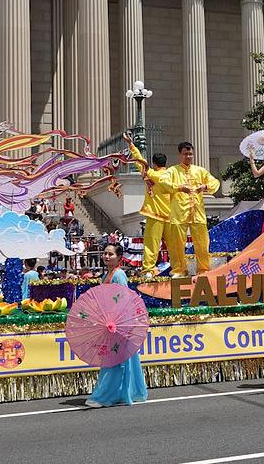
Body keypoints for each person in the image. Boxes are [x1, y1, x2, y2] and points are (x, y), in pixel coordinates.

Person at [84, 243, 148, 408]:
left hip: (118, 324)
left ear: (119, 257)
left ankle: (105, 396)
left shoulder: (118, 275)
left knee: (114, 361)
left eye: (110, 254)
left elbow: (125, 301)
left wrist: (120, 323)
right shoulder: (107, 275)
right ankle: (123, 392)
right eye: (105, 254)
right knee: (118, 360)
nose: (106, 256)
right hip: (110, 323)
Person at [160, 142, 220, 275]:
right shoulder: (172, 171)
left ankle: (203, 269)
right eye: (185, 154)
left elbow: (215, 182)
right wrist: (179, 188)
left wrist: (205, 187)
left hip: (197, 213)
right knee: (177, 244)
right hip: (179, 213)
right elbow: (163, 183)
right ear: (180, 155)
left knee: (202, 243)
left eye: (190, 154)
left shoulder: (200, 171)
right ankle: (179, 269)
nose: (188, 156)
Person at [124, 133, 177, 278]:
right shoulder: (172, 176)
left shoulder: (150, 173)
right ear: (166, 163)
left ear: (154, 163)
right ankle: (178, 269)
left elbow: (139, 161)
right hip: (171, 215)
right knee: (174, 245)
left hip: (155, 214)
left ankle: (148, 270)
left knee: (151, 245)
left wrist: (131, 144)